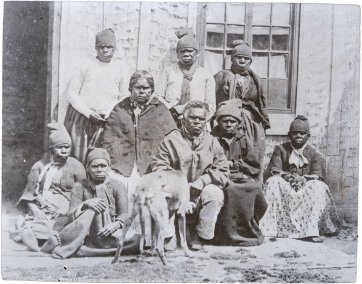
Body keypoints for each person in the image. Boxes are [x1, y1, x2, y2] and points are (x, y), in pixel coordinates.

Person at [150, 101, 230, 250]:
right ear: (183, 120)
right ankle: (168, 234)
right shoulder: (170, 140)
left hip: (198, 191)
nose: (197, 122)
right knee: (163, 193)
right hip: (176, 192)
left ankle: (199, 235)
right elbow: (158, 167)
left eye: (201, 119)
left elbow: (223, 170)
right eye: (193, 118)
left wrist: (203, 181)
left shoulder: (212, 142)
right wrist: (178, 185)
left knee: (215, 194)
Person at [41, 148, 141, 258]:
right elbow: (71, 215)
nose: (99, 169)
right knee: (93, 207)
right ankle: (84, 247)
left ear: (109, 167)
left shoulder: (118, 185)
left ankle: (84, 250)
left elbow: (124, 213)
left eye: (103, 166)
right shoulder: (79, 186)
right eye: (95, 166)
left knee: (136, 240)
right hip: (87, 232)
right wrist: (86, 204)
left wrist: (114, 225)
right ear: (88, 168)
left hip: (111, 231)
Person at [259, 116, 340, 243]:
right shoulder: (280, 150)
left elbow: (317, 174)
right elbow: (275, 169)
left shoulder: (315, 153)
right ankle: (270, 229)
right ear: (289, 135)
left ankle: (310, 231)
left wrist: (304, 180)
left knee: (319, 186)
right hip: (286, 187)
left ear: (308, 136)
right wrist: (287, 177)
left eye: (302, 133)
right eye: (294, 133)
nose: (298, 136)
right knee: (273, 182)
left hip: (305, 189)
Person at [10, 123, 86, 252]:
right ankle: (33, 241)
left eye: (67, 147)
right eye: (60, 147)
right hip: (43, 207)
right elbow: (28, 194)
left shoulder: (76, 166)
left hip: (67, 209)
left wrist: (71, 209)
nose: (64, 150)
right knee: (33, 224)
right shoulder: (39, 166)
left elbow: (84, 192)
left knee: (67, 224)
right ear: (51, 149)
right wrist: (35, 210)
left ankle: (50, 240)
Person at [64, 28, 129, 163]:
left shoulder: (120, 68)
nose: (105, 50)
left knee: (100, 159)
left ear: (114, 49)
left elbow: (123, 96)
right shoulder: (85, 65)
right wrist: (88, 113)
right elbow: (72, 93)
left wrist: (108, 112)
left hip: (106, 120)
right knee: (79, 158)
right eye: (101, 47)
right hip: (82, 119)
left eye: (109, 47)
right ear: (96, 47)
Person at [211, 99, 267, 246]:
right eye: (225, 121)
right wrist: (222, 167)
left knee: (254, 188)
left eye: (232, 121)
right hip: (219, 177)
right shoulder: (211, 139)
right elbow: (205, 163)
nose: (229, 124)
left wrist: (236, 165)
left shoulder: (243, 139)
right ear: (219, 122)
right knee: (231, 189)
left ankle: (247, 232)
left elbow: (254, 166)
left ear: (238, 123)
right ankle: (227, 235)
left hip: (240, 176)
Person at [214, 40, 270, 180]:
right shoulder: (222, 76)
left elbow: (261, 103)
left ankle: (254, 184)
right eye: (239, 57)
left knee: (252, 151)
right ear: (232, 59)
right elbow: (215, 100)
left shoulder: (254, 79)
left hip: (251, 123)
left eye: (246, 58)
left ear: (250, 61)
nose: (242, 61)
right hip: (229, 119)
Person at [154, 28, 216, 125]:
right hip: (170, 120)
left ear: (197, 53)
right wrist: (171, 109)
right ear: (177, 54)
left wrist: (195, 117)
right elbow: (157, 96)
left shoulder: (206, 75)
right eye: (182, 51)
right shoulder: (168, 71)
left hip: (197, 123)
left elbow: (211, 105)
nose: (186, 54)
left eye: (190, 51)